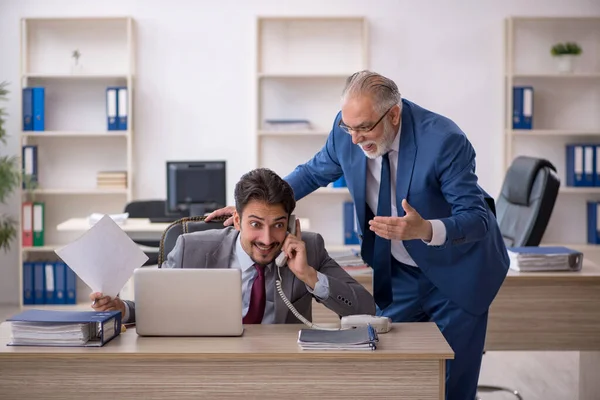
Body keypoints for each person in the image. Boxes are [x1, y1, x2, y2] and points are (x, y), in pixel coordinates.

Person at [206, 71, 510, 400]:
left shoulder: (443, 140)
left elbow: (477, 217)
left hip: (458, 271)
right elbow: (312, 172)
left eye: (364, 128)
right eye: (348, 128)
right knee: (383, 367)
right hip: (401, 273)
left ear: (393, 114)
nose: (354, 138)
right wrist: (253, 207)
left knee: (452, 385)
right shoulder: (348, 130)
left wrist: (425, 229)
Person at [91, 168, 375, 325]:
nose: (267, 239)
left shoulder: (308, 248)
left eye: (278, 224)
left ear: (290, 223)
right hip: (208, 366)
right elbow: (151, 307)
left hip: (281, 372)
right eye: (255, 224)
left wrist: (309, 276)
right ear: (236, 220)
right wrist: (120, 307)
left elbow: (365, 309)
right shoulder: (191, 248)